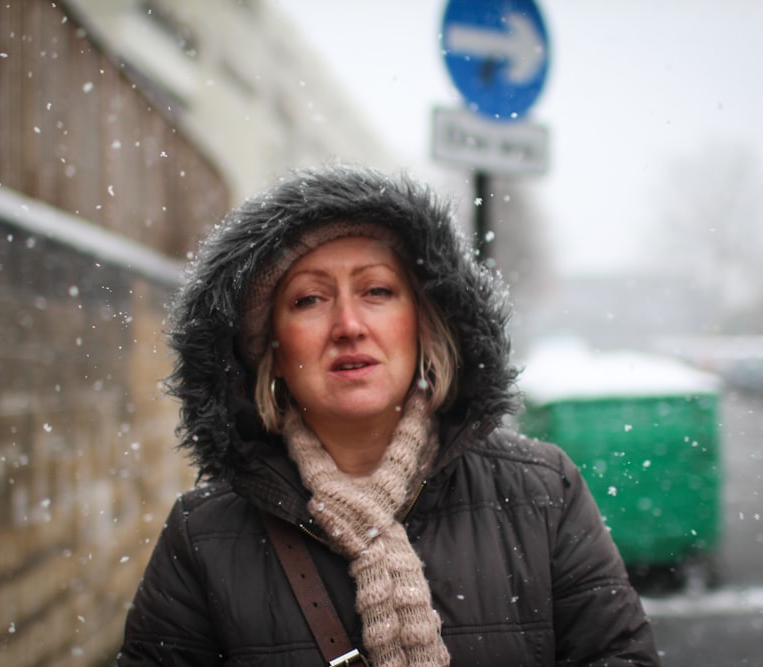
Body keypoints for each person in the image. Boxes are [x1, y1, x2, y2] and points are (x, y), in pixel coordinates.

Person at [117, 165, 660, 666]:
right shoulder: (203, 538)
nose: (349, 324)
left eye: (377, 291)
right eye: (309, 299)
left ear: (422, 324)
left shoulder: (543, 493)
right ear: (271, 350)